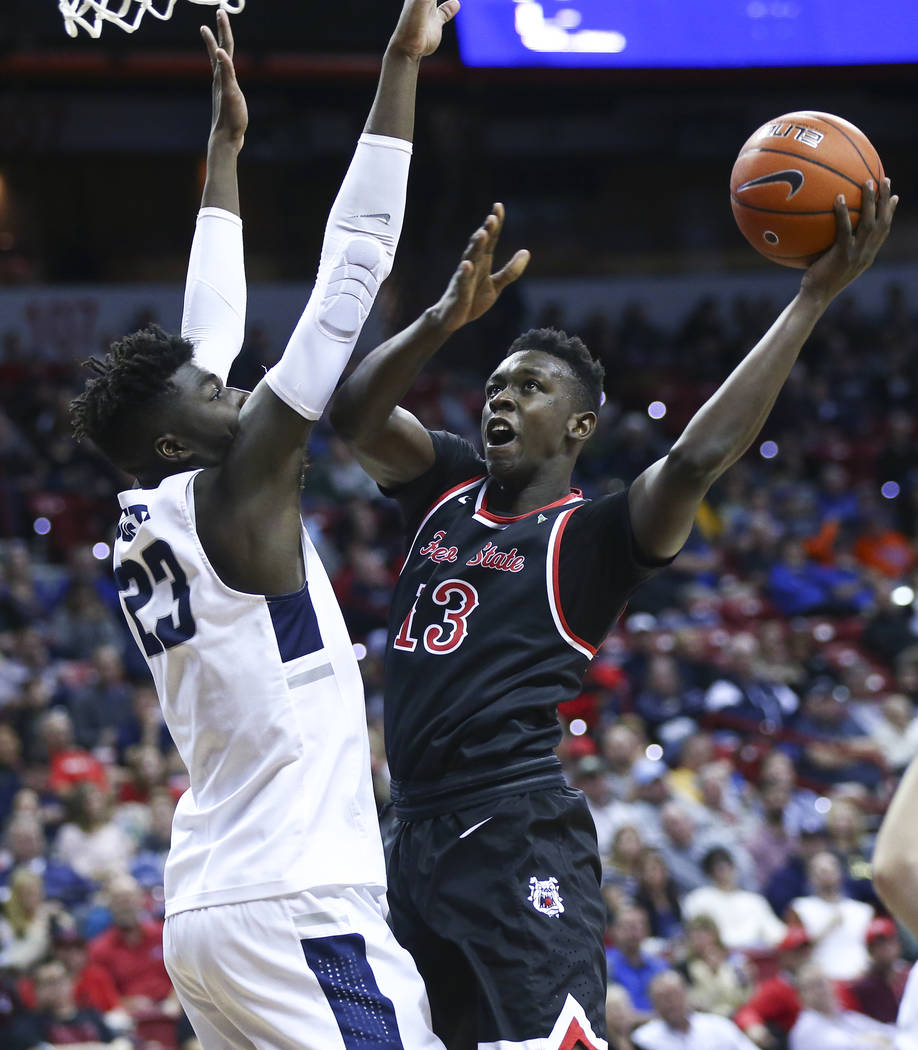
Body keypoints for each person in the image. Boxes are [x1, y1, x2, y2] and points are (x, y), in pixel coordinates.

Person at [328, 174, 896, 1050]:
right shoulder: (445, 485)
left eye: (530, 388)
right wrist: (442, 317)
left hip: (513, 828)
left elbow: (700, 454)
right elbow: (356, 415)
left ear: (580, 427)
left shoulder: (592, 535)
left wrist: (810, 299)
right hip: (409, 832)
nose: (501, 397)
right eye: (497, 384)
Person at [68, 4, 458, 1050]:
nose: (229, 386)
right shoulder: (245, 483)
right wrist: (399, 66)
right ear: (170, 439)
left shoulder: (151, 506)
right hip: (299, 902)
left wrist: (225, 154)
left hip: (208, 912)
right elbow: (354, 270)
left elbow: (210, 332)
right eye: (209, 390)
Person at [786, 850, 874, 980]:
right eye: (820, 871)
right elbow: (794, 954)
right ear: (811, 877)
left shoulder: (862, 910)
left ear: (840, 873)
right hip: (822, 980)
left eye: (830, 869)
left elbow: (875, 949)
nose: (826, 874)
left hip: (862, 978)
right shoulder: (799, 908)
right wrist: (827, 928)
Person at [631, 970, 758, 1050]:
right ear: (653, 1004)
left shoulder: (718, 1026)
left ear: (687, 994)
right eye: (661, 998)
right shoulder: (643, 1039)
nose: (669, 1003)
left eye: (673, 995)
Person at [789, 964, 898, 1050]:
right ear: (800, 996)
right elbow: (848, 1047)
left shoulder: (848, 1017)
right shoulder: (805, 1029)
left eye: (821, 984)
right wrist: (878, 1041)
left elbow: (889, 1031)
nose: (819, 992)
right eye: (810, 987)